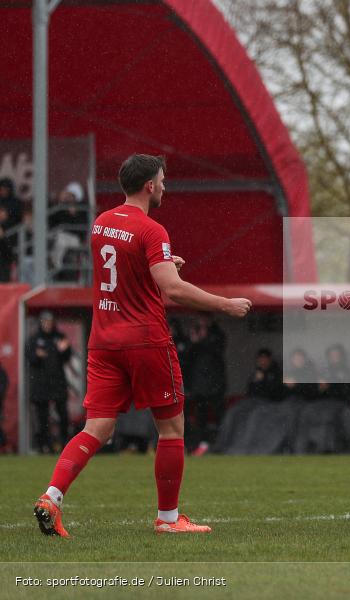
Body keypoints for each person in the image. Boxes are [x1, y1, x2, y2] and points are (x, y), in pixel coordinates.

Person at [33, 154, 252, 538]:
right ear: (150, 185)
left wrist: (164, 263)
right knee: (171, 429)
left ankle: (52, 497)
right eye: (163, 181)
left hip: (103, 340)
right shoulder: (152, 230)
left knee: (97, 427)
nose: (165, 186)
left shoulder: (101, 223)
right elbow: (172, 289)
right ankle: (168, 519)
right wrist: (225, 304)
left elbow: (123, 274)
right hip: (145, 340)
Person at [26, 311, 73, 453]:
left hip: (57, 382)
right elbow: (30, 358)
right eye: (45, 322)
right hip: (40, 384)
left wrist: (64, 350)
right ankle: (44, 446)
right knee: (42, 418)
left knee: (63, 414)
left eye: (50, 321)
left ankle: (65, 444)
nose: (48, 324)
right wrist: (37, 355)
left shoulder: (59, 337)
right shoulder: (34, 339)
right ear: (41, 323)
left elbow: (67, 357)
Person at [183, 315, 227, 454]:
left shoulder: (217, 334)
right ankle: (198, 445)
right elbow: (187, 358)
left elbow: (217, 352)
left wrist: (202, 340)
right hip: (198, 386)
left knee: (219, 416)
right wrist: (194, 342)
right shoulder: (193, 335)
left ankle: (220, 445)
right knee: (199, 418)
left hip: (215, 385)